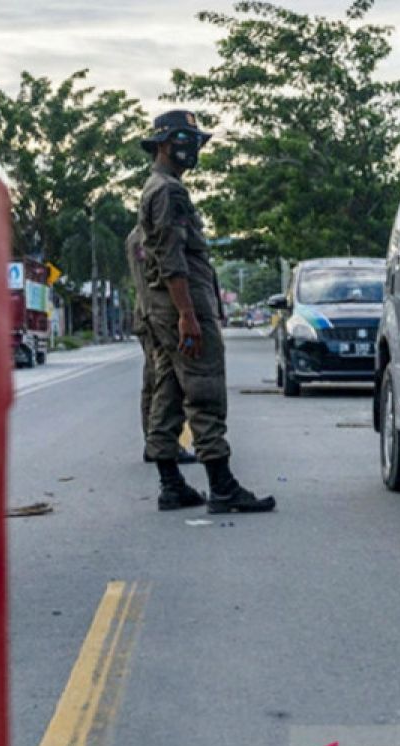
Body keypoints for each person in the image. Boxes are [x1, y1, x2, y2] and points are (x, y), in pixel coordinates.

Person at [138, 110, 275, 514]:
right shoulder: (168, 192)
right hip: (182, 304)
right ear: (163, 143)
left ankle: (171, 484)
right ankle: (222, 486)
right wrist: (187, 314)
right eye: (185, 139)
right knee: (204, 388)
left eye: (195, 139)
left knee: (171, 390)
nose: (192, 147)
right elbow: (171, 255)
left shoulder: (157, 187)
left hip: (164, 307)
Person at [126, 225, 196, 466]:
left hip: (152, 317)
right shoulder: (143, 238)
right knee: (161, 381)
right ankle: (159, 443)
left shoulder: (143, 236)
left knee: (155, 380)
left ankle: (156, 442)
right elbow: (150, 284)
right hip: (155, 317)